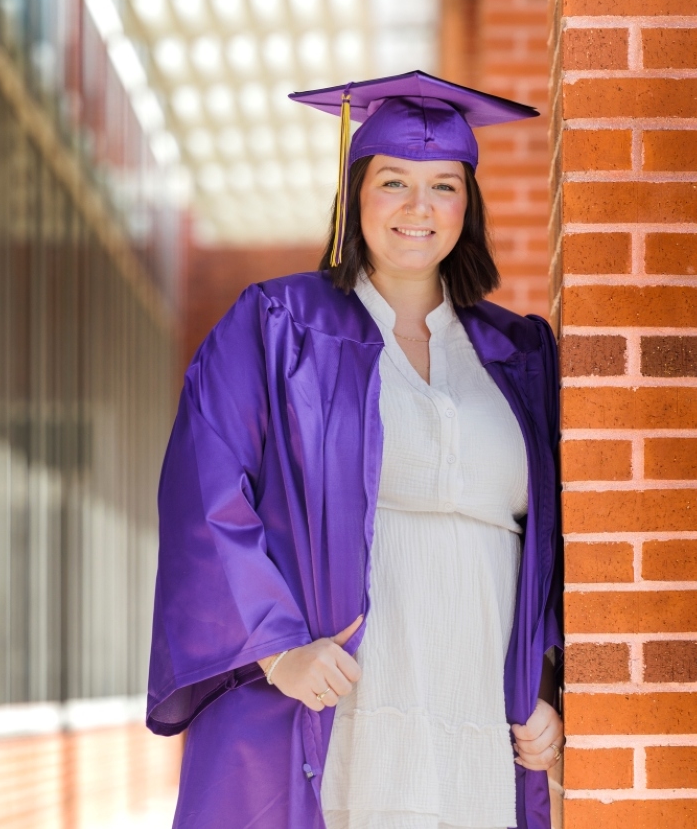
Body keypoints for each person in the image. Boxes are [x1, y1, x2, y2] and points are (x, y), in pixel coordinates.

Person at [147, 71, 564, 829]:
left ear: (467, 207)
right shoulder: (277, 327)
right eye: (394, 181)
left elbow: (573, 540)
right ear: (355, 196)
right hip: (341, 708)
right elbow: (204, 492)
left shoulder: (520, 355)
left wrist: (553, 684)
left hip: (475, 715)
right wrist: (277, 651)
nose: (418, 207)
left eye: (443, 186)